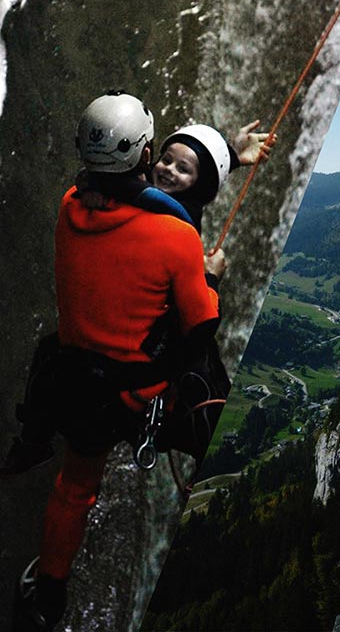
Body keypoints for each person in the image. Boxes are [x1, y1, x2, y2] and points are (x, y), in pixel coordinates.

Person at [11, 92, 228, 631]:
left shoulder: (69, 205)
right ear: (147, 151)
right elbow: (200, 324)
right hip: (140, 393)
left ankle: (49, 593)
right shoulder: (177, 236)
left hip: (74, 384)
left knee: (75, 487)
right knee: (210, 399)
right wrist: (213, 277)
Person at [1, 119, 273, 478]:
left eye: (182, 169)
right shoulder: (179, 224)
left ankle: (33, 442)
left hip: (100, 368)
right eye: (165, 160)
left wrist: (230, 156)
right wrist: (209, 278)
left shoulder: (151, 204)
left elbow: (136, 183)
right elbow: (200, 326)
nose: (168, 171)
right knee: (203, 370)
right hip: (146, 371)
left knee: (51, 358)